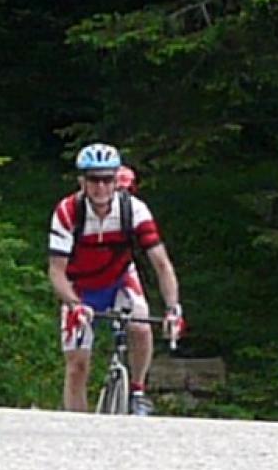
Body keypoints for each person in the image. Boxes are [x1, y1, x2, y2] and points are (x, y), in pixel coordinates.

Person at [47, 142, 185, 414]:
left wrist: (173, 309)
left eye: (107, 179)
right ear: (82, 182)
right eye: (93, 179)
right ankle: (77, 424)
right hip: (79, 289)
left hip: (120, 280)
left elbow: (161, 264)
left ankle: (137, 391)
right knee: (77, 366)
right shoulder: (67, 212)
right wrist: (74, 305)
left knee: (141, 325)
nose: (100, 187)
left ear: (116, 180)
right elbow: (56, 271)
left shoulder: (133, 209)